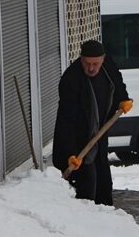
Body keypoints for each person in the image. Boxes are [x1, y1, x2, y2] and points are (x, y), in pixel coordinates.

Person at [52, 40, 132, 206]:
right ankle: (85, 219)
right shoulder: (71, 80)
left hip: (99, 132)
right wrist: (70, 153)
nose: (91, 68)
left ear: (102, 59)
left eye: (95, 63)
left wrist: (123, 98)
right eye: (87, 63)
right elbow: (67, 122)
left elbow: (116, 81)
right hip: (78, 142)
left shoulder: (107, 65)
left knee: (103, 179)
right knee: (87, 183)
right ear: (81, 59)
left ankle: (107, 215)